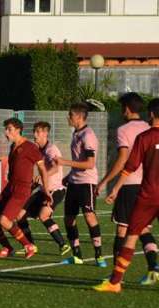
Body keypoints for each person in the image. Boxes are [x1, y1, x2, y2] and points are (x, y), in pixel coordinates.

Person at [94, 98, 159, 294]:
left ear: (151, 114)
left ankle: (115, 282)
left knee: (132, 236)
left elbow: (129, 168)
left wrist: (115, 189)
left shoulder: (145, 137)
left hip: (149, 195)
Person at [95, 92, 159, 285]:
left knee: (122, 231)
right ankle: (153, 267)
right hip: (149, 186)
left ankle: (117, 277)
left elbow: (123, 159)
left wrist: (106, 182)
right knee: (144, 229)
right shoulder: (151, 128)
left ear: (126, 108)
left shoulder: (123, 129)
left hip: (130, 184)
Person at [0, 118, 52, 259]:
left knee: (4, 220)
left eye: (9, 129)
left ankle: (28, 245)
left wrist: (46, 190)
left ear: (18, 130)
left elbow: (42, 168)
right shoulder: (13, 147)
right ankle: (7, 248)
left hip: (21, 190)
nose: (6, 132)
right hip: (10, 187)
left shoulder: (30, 147)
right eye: (6, 129)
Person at [55, 103, 106, 267]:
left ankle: (99, 255)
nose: (68, 117)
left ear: (78, 116)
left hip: (86, 183)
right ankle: (77, 255)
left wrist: (64, 162)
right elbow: (79, 161)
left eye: (70, 114)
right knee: (69, 219)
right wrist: (69, 176)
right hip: (74, 182)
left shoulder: (88, 135)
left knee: (89, 216)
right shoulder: (76, 133)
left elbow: (90, 164)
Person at [14, 121, 70, 257]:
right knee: (19, 215)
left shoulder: (52, 149)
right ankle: (31, 246)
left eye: (38, 132)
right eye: (34, 132)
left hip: (55, 190)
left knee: (43, 215)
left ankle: (63, 244)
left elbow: (57, 167)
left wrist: (43, 175)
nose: (35, 135)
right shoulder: (38, 149)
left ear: (46, 133)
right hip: (42, 190)